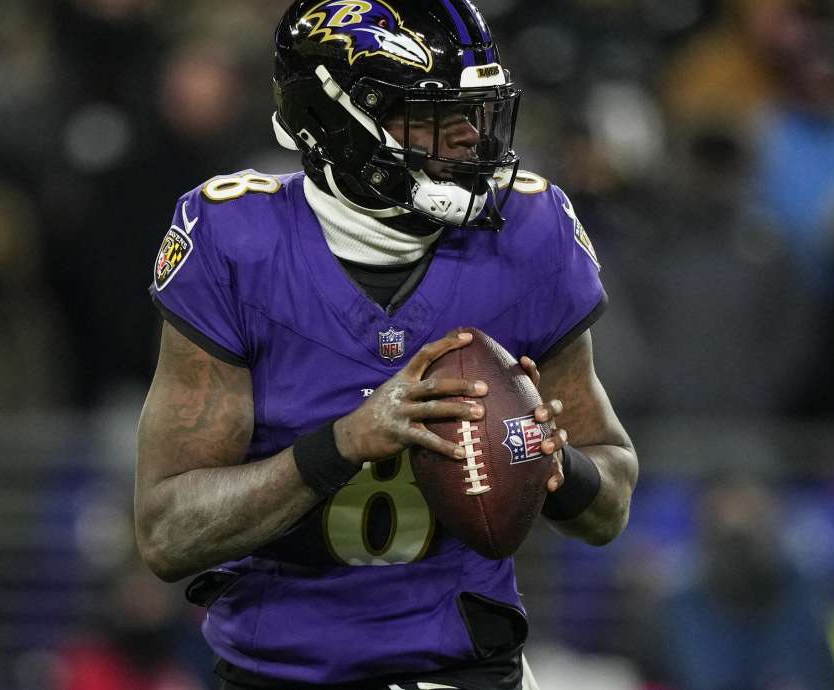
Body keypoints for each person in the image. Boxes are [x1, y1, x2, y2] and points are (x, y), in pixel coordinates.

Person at [135, 2, 638, 688]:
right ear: (337, 119)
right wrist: (340, 445)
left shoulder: (529, 229)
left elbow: (610, 504)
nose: (467, 136)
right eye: (431, 113)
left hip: (461, 665)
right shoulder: (238, 241)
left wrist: (554, 463)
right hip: (276, 669)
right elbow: (167, 532)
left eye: (475, 109)